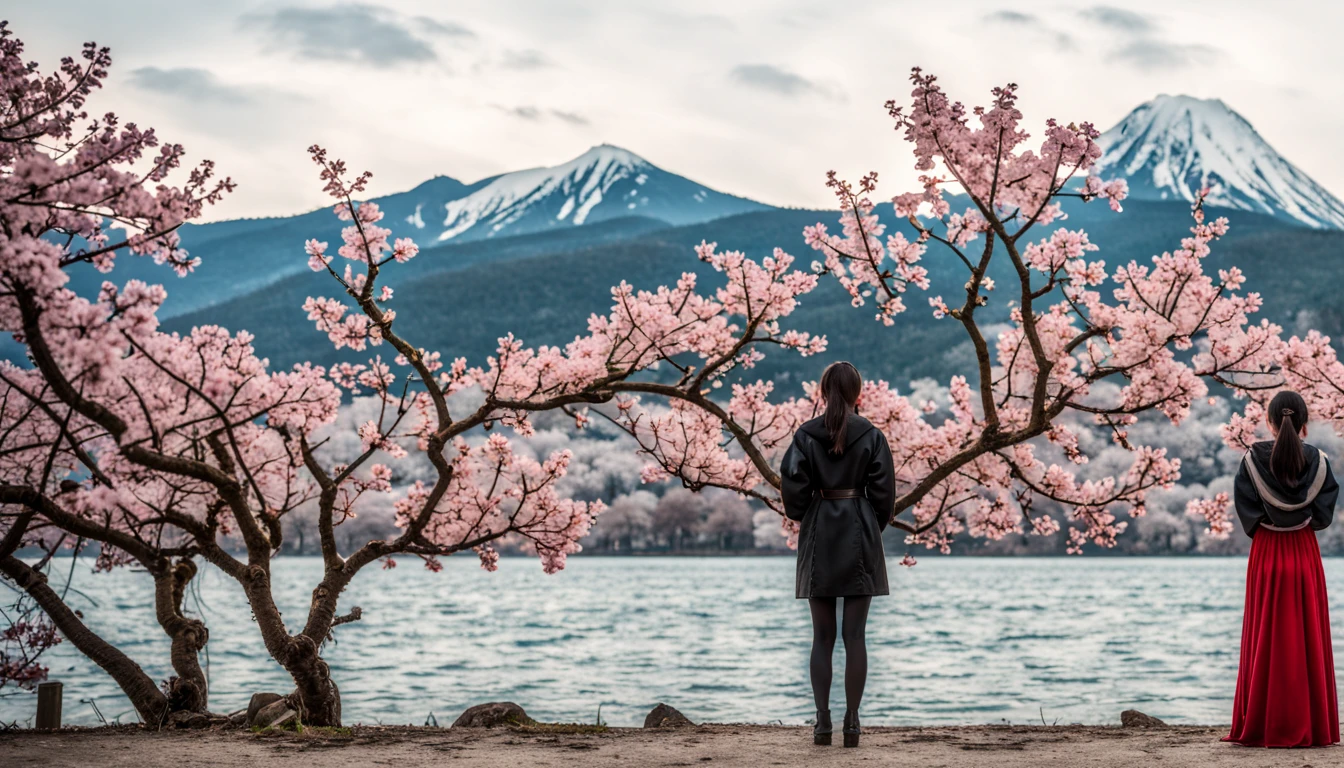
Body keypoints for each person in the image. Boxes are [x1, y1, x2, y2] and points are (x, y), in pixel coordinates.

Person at [780, 361, 896, 748]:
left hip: (820, 532)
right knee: (856, 637)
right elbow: (884, 495)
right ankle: (853, 723)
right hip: (859, 528)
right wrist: (867, 526)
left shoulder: (805, 434)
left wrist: (808, 514)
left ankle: (822, 722)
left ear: (823, 390)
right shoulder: (872, 434)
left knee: (822, 638)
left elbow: (793, 489)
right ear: (856, 393)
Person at [1225, 390, 1339, 748]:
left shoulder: (1251, 459)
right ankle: (1313, 727)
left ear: (1271, 423)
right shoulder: (1318, 460)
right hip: (1304, 552)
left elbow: (1248, 510)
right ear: (1304, 423)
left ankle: (1261, 723)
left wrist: (1269, 526)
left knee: (1266, 635)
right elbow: (1322, 516)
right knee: (1305, 636)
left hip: (1267, 554)